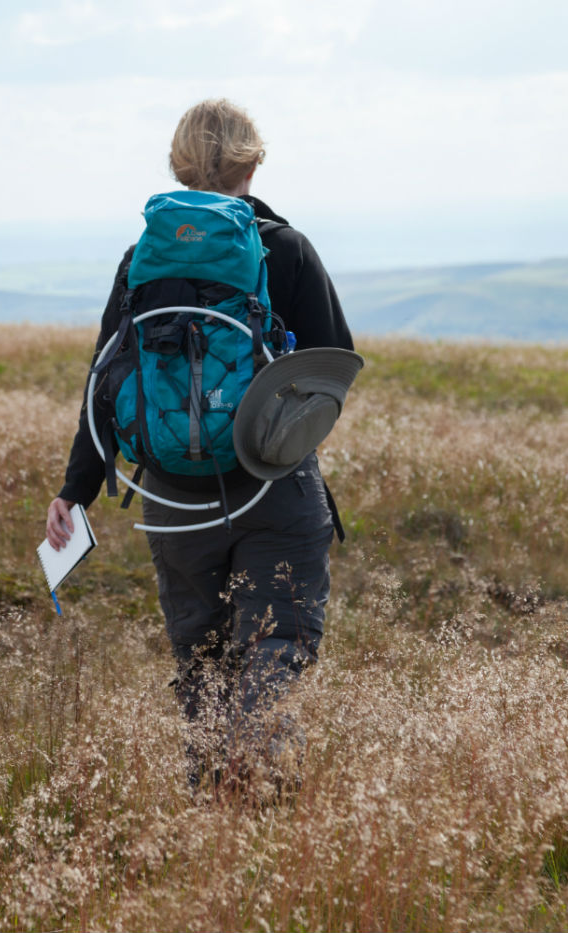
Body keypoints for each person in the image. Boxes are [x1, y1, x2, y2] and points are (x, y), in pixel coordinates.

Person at [45, 99, 354, 794]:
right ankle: (260, 804)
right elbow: (336, 365)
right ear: (252, 162)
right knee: (275, 649)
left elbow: (104, 380)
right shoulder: (286, 248)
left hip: (172, 498)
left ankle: (211, 805)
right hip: (275, 485)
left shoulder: (141, 261)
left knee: (202, 661)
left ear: (180, 165)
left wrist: (75, 490)